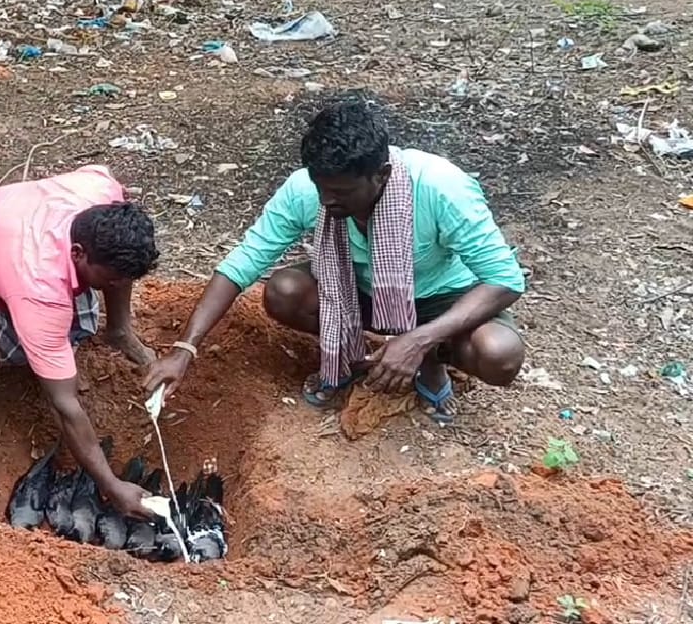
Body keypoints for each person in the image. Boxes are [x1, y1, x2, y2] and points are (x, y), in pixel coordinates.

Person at [143, 101, 526, 424]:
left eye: (341, 192)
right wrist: (185, 348)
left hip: (442, 297)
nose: (326, 201)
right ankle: (350, 357)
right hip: (357, 293)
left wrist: (419, 339)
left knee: (499, 354)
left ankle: (427, 360)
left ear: (382, 175)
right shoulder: (306, 190)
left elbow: (505, 279)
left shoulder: (441, 188)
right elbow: (243, 263)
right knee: (284, 293)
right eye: (321, 187)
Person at [0, 164, 159, 518]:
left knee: (124, 261)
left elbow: (101, 174)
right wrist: (112, 487)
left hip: (1, 236)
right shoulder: (42, 290)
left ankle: (118, 331)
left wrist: (114, 294)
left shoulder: (101, 194)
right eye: (109, 278)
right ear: (78, 253)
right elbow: (64, 406)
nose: (117, 285)